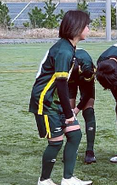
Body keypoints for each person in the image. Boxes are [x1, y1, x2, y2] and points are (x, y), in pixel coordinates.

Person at [29, 10, 92, 185]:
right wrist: (69, 112)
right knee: (55, 142)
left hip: (56, 100)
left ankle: (68, 178)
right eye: (87, 25)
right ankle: (44, 180)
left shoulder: (68, 47)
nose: (88, 28)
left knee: (75, 135)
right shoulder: (64, 50)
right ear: (77, 27)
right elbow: (62, 84)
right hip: (46, 101)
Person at [68, 48, 97, 164]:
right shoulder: (62, 64)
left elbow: (88, 92)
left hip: (84, 77)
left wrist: (78, 108)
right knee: (68, 113)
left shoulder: (87, 67)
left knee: (88, 110)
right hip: (69, 79)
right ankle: (70, 149)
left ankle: (90, 150)